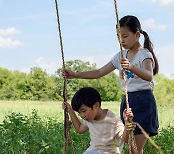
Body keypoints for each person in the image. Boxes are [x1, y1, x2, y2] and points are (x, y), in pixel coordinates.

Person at [62, 15, 159, 154]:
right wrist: (76, 75)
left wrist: (131, 67)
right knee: (131, 147)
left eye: (125, 36)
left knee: (135, 149)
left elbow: (149, 76)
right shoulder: (120, 55)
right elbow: (99, 72)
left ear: (137, 34)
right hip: (127, 101)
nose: (121, 40)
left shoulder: (144, 54)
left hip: (143, 101)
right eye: (119, 37)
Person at [62, 87, 134, 154]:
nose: (82, 116)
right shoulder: (89, 119)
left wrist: (127, 125)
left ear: (96, 105)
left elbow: (125, 139)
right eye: (79, 113)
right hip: (92, 151)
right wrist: (70, 110)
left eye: (83, 111)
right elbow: (80, 129)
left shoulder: (113, 120)